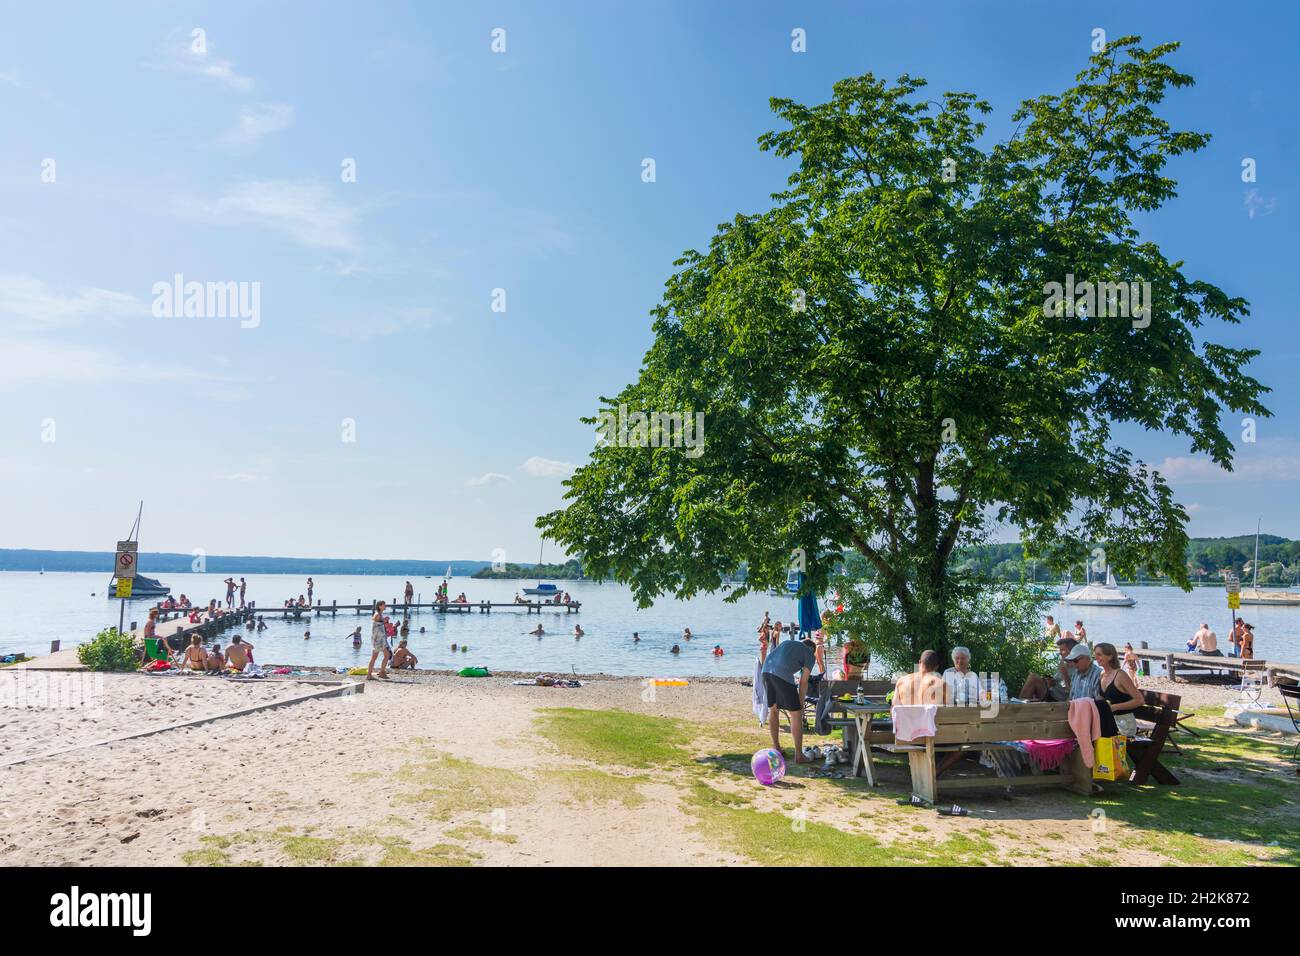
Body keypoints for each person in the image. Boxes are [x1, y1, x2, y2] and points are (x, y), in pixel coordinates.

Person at [761, 636, 817, 763]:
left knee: (773, 710)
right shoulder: (810, 655)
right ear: (812, 650)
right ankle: (799, 755)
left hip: (765, 671)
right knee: (796, 714)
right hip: (781, 673)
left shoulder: (788, 643)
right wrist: (800, 704)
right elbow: (803, 682)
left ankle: (777, 748)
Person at [1094, 642, 1143, 737]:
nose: (1096, 657)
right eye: (1095, 655)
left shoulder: (1120, 675)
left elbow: (1140, 700)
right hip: (1109, 721)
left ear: (1110, 656)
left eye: (1099, 655)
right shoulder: (1102, 674)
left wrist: (1115, 707)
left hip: (1124, 723)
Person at [1020, 636, 1082, 701]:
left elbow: (1073, 693)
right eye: (1060, 650)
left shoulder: (1078, 668)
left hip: (1058, 700)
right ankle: (1018, 705)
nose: (1060, 653)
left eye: (1063, 650)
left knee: (1033, 678)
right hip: (1051, 693)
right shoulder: (1063, 663)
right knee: (1033, 677)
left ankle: (1017, 707)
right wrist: (1050, 682)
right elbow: (1056, 682)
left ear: (1072, 651)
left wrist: (1065, 675)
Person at [368, 601, 391, 680]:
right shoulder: (377, 614)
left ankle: (380, 672)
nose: (386, 606)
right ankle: (378, 673)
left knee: (385, 655)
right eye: (384, 605)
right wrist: (384, 621)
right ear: (380, 606)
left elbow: (380, 625)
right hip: (378, 639)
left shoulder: (380, 614)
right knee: (378, 656)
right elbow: (376, 625)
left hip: (380, 638)